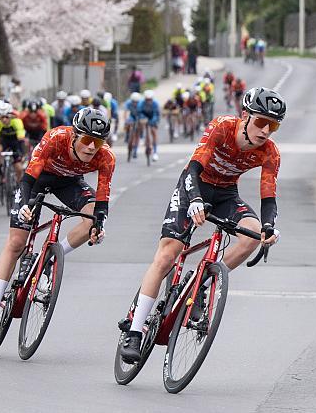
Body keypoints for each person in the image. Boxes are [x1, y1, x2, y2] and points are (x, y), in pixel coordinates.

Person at [118, 87, 286, 363]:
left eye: (274, 125)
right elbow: (194, 168)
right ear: (245, 116)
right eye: (261, 122)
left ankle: (202, 281)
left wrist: (269, 226)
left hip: (226, 194)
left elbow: (269, 195)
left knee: (253, 234)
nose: (266, 130)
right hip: (193, 186)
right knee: (167, 256)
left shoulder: (270, 152)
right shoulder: (222, 127)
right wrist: (194, 200)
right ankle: (135, 331)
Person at [0, 108, 115, 333]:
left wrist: (99, 225)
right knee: (17, 242)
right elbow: (27, 178)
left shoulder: (106, 156)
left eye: (98, 142)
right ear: (74, 136)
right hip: (37, 181)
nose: (92, 147)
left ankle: (50, 259)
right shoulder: (55, 137)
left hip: (69, 183)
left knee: (91, 219)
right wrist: (25, 204)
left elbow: (103, 197)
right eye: (87, 140)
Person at [0, 101, 25, 197]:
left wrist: (21, 153)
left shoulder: (17, 122)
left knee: (19, 168)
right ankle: (2, 174)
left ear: (11, 116)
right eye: (2, 117)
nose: (4, 120)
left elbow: (21, 140)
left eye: (6, 117)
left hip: (15, 142)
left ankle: (17, 185)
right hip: (3, 141)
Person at [138, 90, 160, 161]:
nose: (148, 101)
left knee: (154, 131)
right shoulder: (141, 103)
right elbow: (139, 112)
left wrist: (153, 121)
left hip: (152, 117)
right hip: (144, 116)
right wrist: (142, 118)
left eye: (150, 100)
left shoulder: (155, 103)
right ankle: (142, 137)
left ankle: (155, 152)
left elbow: (157, 114)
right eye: (147, 100)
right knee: (141, 124)